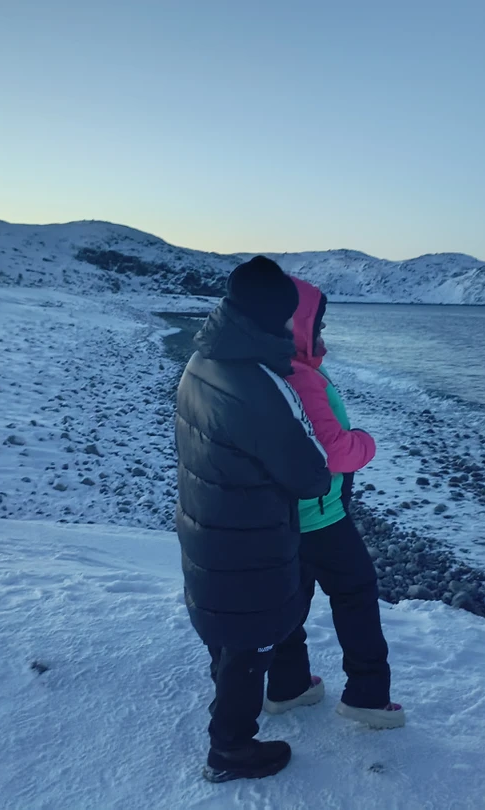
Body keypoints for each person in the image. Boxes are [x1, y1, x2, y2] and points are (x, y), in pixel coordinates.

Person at [175, 256, 333, 783]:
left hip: (208, 524)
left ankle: (228, 699)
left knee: (226, 630)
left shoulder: (204, 359)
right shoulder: (260, 383)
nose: (296, 326)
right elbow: (310, 474)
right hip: (249, 539)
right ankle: (230, 751)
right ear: (272, 317)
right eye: (290, 316)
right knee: (250, 639)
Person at [263, 276, 405, 729]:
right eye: (317, 323)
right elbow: (335, 450)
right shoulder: (300, 376)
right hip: (321, 516)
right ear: (297, 323)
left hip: (286, 516)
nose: (322, 334)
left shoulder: (268, 365)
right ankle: (366, 696)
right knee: (356, 594)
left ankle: (287, 685)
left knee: (291, 601)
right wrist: (366, 443)